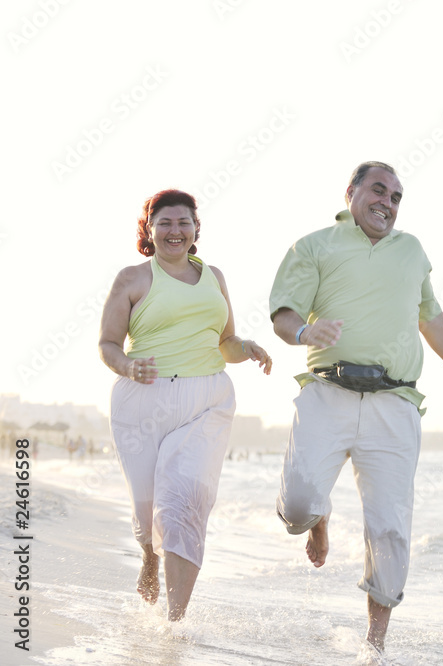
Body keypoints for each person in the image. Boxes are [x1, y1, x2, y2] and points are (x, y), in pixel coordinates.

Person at [270, 161, 443, 654]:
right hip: (327, 392)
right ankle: (320, 520)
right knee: (298, 507)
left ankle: (375, 649)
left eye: (396, 197)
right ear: (350, 192)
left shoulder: (411, 250)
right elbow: (284, 314)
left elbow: (429, 315)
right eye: (378, 191)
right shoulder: (315, 245)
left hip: (394, 403)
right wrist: (306, 332)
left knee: (390, 527)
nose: (387, 204)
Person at [98, 189, 272, 621]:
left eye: (184, 223)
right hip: (143, 400)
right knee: (146, 502)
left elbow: (225, 342)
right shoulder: (132, 279)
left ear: (196, 230)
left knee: (186, 499)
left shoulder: (214, 275)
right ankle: (149, 556)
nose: (175, 231)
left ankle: (175, 623)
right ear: (150, 230)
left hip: (205, 398)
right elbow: (107, 344)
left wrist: (246, 346)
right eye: (165, 223)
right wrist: (127, 366)